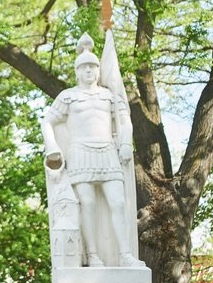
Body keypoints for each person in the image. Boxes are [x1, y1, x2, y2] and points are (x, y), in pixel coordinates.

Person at [41, 34, 142, 267]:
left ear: (98, 70)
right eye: (84, 67)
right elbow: (47, 121)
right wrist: (52, 146)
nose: (89, 71)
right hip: (80, 153)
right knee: (87, 203)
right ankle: (93, 255)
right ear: (77, 71)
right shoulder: (68, 97)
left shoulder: (109, 96)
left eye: (92, 67)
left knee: (118, 202)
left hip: (107, 151)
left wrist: (126, 143)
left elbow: (125, 122)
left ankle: (125, 255)